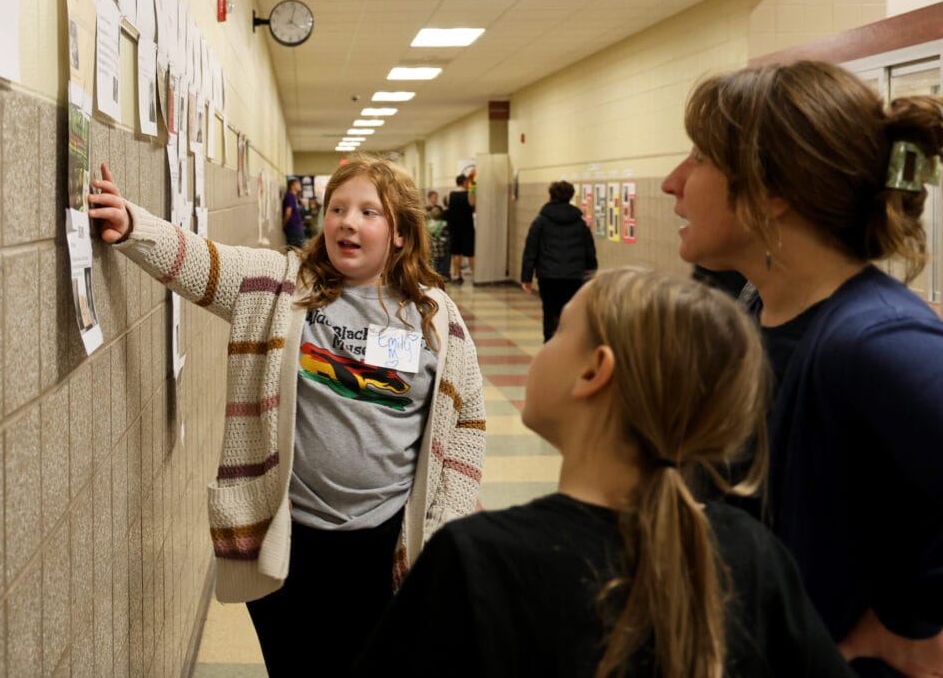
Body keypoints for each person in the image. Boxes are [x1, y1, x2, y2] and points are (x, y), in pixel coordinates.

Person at [87, 156, 487, 677]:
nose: (347, 221)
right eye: (338, 207)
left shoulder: (435, 319)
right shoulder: (283, 288)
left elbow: (466, 426)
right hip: (291, 542)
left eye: (369, 212)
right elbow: (206, 262)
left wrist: (442, 530)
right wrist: (133, 226)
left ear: (401, 236)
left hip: (385, 545)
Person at [355, 268, 853, 677]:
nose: (544, 346)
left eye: (560, 331)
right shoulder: (750, 554)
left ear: (594, 371)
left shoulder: (479, 561)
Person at [661, 59, 943, 677]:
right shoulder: (760, 305)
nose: (672, 182)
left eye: (699, 157)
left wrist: (911, 630)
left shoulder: (878, 344)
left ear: (772, 190)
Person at [520, 180, 598, 341]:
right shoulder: (579, 223)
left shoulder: (541, 221)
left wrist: (526, 277)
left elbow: (531, 250)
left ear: (550, 196)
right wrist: (592, 275)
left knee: (549, 311)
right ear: (570, 197)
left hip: (548, 277)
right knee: (571, 312)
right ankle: (569, 344)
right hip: (574, 277)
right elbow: (589, 251)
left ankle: (550, 343)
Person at [445, 174, 475, 284]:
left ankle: (457, 275)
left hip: (454, 228)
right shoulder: (469, 194)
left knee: (456, 252)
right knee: (470, 253)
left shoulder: (450, 194)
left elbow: (448, 207)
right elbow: (473, 205)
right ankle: (475, 275)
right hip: (467, 228)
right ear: (464, 182)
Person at [426, 204, 451, 281]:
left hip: (437, 247)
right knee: (437, 262)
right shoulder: (442, 223)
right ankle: (438, 275)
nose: (435, 212)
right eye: (434, 210)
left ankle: (439, 275)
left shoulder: (442, 223)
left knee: (439, 262)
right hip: (436, 247)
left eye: (437, 210)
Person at [282, 176, 305, 248]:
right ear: (292, 186)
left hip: (297, 226)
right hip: (293, 228)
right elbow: (288, 212)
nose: (300, 185)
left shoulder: (294, 196)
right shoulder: (290, 196)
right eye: (297, 184)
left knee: (299, 249)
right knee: (296, 250)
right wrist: (284, 224)